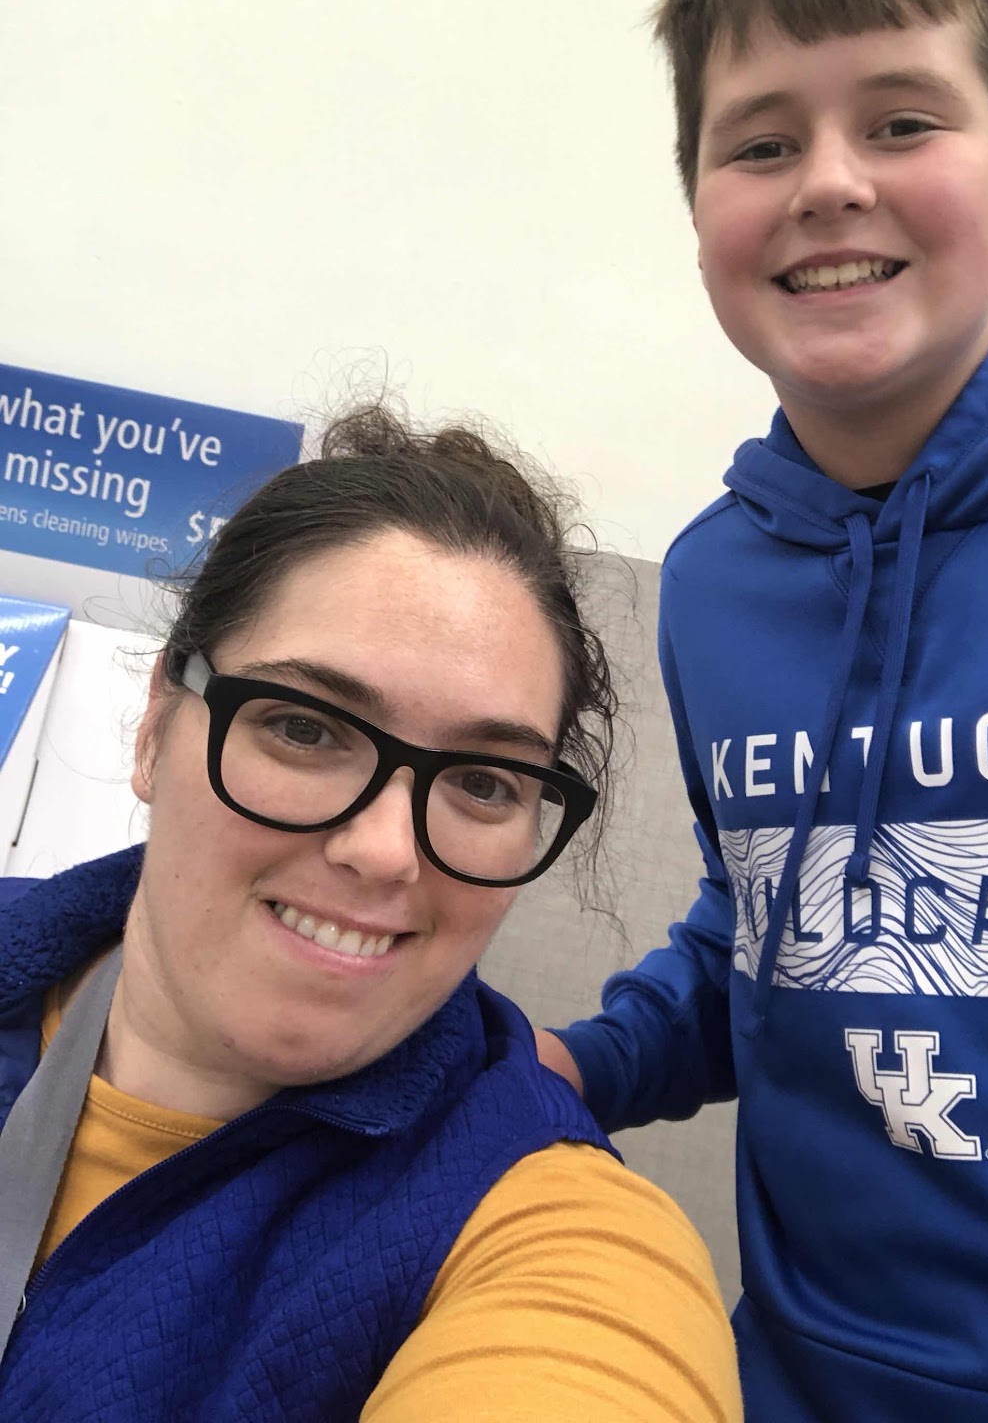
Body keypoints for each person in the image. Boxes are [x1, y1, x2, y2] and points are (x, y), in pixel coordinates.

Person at [536, 0, 988, 1423]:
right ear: (699, 213)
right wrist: (583, 1065)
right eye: (760, 144)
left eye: (901, 122)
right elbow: (776, 927)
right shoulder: (713, 584)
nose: (828, 183)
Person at [0, 405, 742, 1422]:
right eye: (305, 729)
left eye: (482, 782)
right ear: (158, 723)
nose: (387, 849)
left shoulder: (553, 1240)